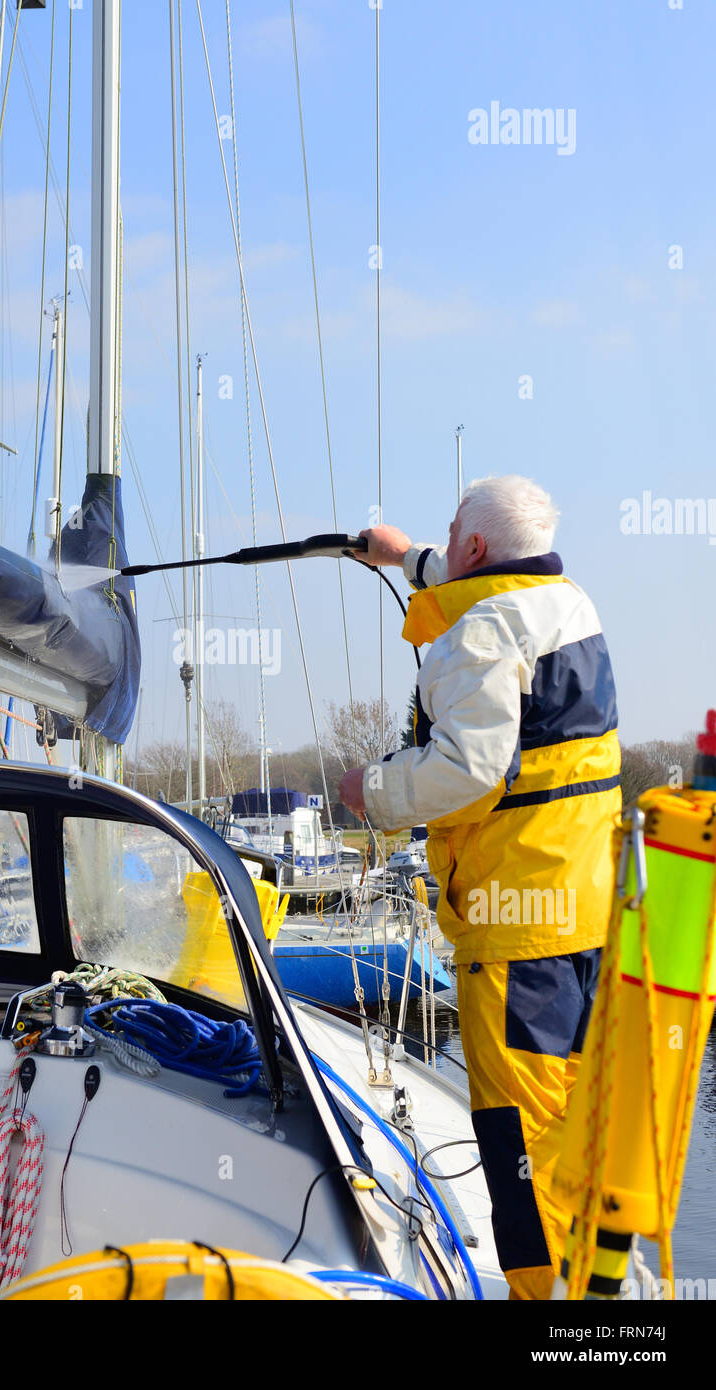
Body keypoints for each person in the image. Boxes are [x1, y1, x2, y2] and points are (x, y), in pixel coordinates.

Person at [339, 475, 621, 1301]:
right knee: (577, 1125)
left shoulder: (484, 633)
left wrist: (376, 791)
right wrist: (407, 557)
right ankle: (601, 1296)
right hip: (583, 921)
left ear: (471, 547)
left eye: (452, 531)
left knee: (518, 1144)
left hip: (514, 942)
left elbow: (468, 770)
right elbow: (491, 584)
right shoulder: (569, 605)